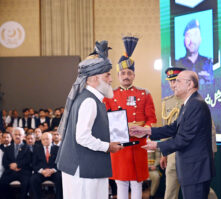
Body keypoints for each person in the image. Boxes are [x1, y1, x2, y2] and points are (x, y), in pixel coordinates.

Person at [130, 70, 214, 199]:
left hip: (195, 170)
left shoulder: (196, 104)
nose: (174, 85)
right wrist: (147, 131)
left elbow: (184, 139)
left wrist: (156, 145)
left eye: (178, 81)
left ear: (190, 84)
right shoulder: (189, 103)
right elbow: (174, 128)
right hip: (191, 169)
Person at [56, 40, 123, 199]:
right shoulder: (89, 101)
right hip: (83, 169)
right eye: (107, 75)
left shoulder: (89, 98)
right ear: (93, 78)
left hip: (84, 167)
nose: (111, 80)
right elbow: (82, 137)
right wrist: (108, 147)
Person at [103, 36, 157, 199]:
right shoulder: (109, 95)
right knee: (120, 181)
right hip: (120, 144)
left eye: (129, 73)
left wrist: (145, 130)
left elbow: (151, 118)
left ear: (134, 75)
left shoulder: (144, 93)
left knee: (137, 182)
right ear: (118, 75)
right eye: (123, 73)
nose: (126, 76)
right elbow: (105, 119)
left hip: (138, 143)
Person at [160, 67, 185, 199]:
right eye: (170, 81)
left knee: (199, 190)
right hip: (172, 154)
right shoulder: (166, 102)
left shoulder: (193, 101)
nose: (173, 84)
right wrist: (164, 153)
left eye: (175, 80)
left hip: (189, 152)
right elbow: (166, 130)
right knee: (170, 192)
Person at [176, 19, 213, 85]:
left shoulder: (209, 63)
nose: (191, 40)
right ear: (184, 41)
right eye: (188, 35)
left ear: (200, 39)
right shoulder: (176, 65)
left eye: (195, 35)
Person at [0, 127, 32, 199]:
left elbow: (28, 160)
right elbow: (4, 161)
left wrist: (17, 165)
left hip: (23, 172)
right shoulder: (8, 148)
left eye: (19, 134)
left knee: (26, 183)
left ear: (23, 136)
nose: (17, 136)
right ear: (12, 136)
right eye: (15, 134)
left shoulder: (27, 147)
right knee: (2, 183)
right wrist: (11, 166)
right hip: (10, 171)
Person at [30, 132, 62, 199]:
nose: (45, 141)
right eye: (43, 139)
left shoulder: (58, 149)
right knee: (33, 179)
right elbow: (34, 164)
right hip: (42, 172)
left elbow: (60, 162)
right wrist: (42, 171)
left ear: (51, 139)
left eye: (47, 139)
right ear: (41, 140)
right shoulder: (37, 149)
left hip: (54, 172)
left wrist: (53, 170)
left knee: (60, 179)